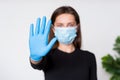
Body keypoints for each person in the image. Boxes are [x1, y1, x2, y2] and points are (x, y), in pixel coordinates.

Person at [29, 6, 97, 80]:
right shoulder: (48, 56)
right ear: (53, 29)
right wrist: (35, 58)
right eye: (60, 25)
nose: (65, 29)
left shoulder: (89, 57)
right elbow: (37, 65)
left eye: (70, 25)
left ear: (77, 27)